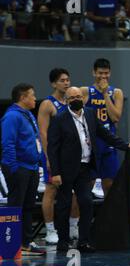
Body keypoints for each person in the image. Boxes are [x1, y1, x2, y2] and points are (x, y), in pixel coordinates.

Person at [47, 87, 130, 253]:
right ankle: (63, 241)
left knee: (86, 203)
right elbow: (52, 148)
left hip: (85, 167)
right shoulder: (60, 118)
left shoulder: (89, 113)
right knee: (64, 206)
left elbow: (104, 134)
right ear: (67, 101)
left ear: (83, 98)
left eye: (78, 96)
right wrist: (56, 172)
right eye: (72, 97)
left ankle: (84, 241)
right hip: (66, 170)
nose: (76, 99)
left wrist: (125, 146)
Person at [1, 83, 46, 256]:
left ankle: (26, 242)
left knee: (28, 206)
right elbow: (8, 143)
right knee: (16, 206)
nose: (35, 98)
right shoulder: (12, 116)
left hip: (31, 167)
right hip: (19, 168)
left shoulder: (27, 115)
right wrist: (13, 168)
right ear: (23, 97)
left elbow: (34, 140)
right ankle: (11, 245)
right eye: (32, 95)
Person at [38, 68, 80, 245]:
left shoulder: (72, 102)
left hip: (70, 156)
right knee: (51, 190)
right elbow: (43, 133)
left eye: (68, 80)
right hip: (53, 154)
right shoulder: (48, 104)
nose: (66, 83)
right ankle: (49, 230)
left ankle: (73, 226)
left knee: (75, 190)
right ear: (54, 83)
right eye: (62, 80)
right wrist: (49, 158)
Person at [81, 58, 124, 197]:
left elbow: (115, 117)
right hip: (90, 145)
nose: (103, 76)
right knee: (87, 184)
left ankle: (108, 217)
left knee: (110, 184)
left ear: (110, 73)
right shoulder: (85, 91)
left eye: (106, 73)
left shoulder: (116, 92)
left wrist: (105, 94)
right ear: (94, 73)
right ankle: (83, 217)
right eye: (100, 73)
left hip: (108, 144)